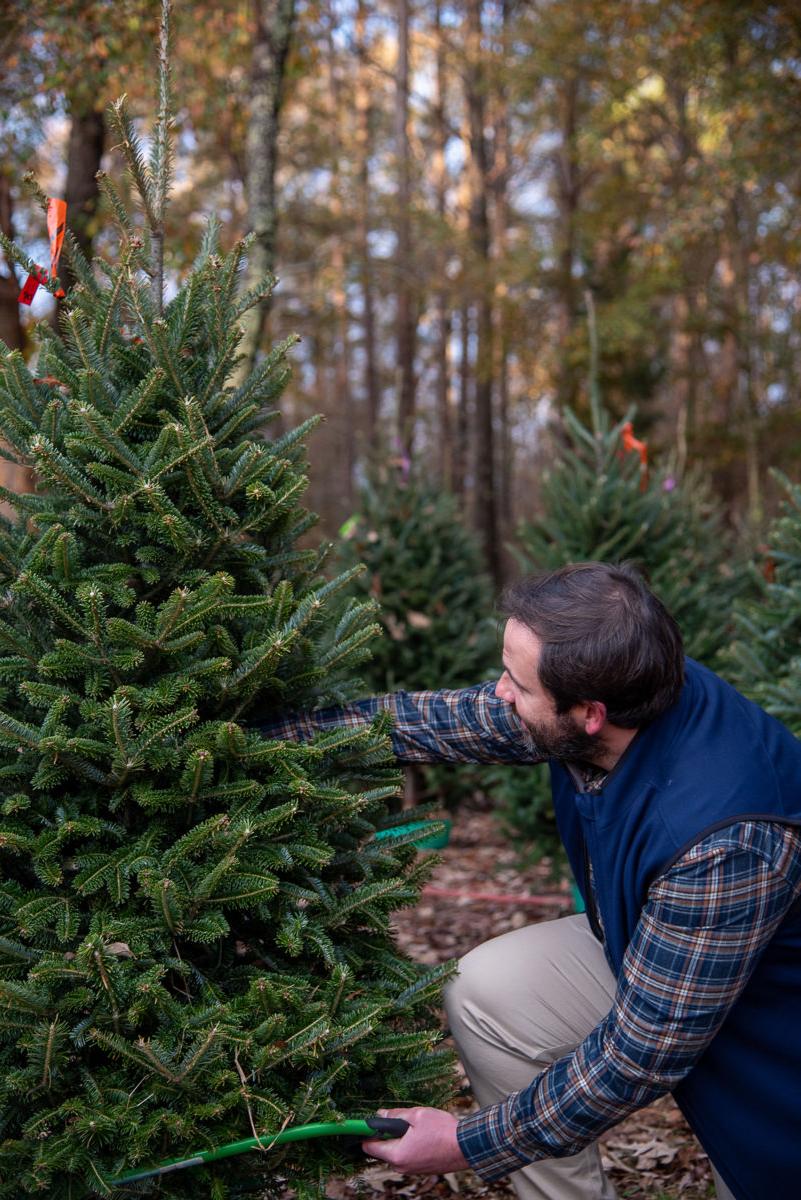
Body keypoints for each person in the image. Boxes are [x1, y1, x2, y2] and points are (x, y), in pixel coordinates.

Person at [255, 562, 801, 1200]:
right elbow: (435, 722)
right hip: (658, 958)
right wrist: (259, 743)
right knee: (491, 991)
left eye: (517, 682)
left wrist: (465, 1143)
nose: (499, 693)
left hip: (773, 1034)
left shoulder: (723, 843)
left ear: (588, 713)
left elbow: (639, 1057)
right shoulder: (621, 694)